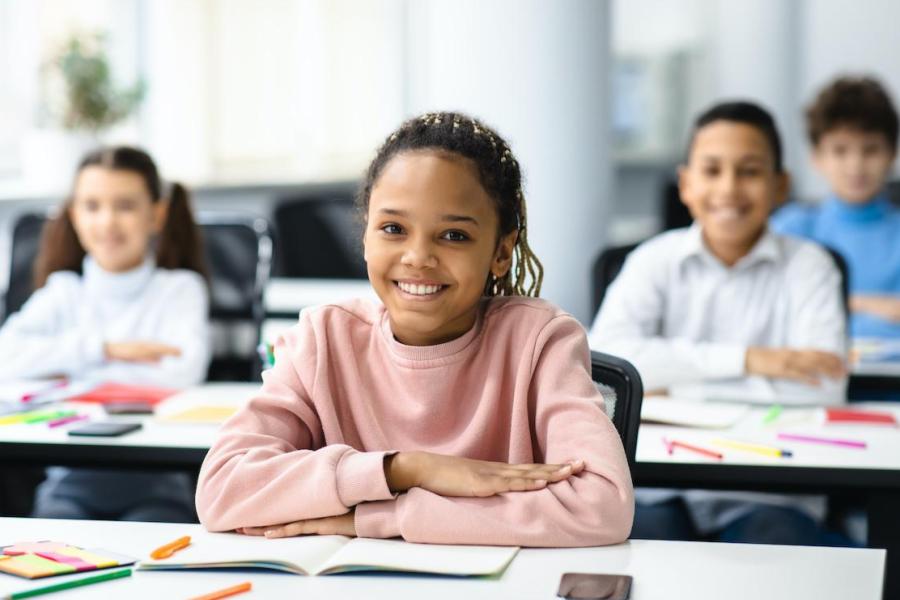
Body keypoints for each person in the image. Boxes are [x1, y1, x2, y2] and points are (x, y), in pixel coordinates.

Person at [196, 111, 634, 546]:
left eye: (454, 236)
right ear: (365, 236)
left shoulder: (541, 342)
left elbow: (601, 507)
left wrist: (379, 517)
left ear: (501, 252)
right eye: (393, 229)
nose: (418, 256)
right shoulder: (323, 339)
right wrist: (404, 468)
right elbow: (221, 490)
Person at [590, 101, 849, 545]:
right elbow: (610, 369)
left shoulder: (811, 266)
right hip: (657, 486)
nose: (728, 188)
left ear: (780, 185)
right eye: (712, 170)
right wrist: (751, 360)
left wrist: (676, 386)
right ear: (686, 184)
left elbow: (823, 384)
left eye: (749, 171)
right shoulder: (652, 260)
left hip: (771, 491)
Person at [0, 146, 211, 522]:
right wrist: (108, 349)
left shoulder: (179, 289)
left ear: (157, 214)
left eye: (126, 206)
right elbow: (6, 357)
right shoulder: (64, 291)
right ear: (74, 217)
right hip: (67, 488)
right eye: (92, 206)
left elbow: (181, 371)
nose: (108, 221)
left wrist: (66, 373)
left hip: (160, 491)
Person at [771, 76, 900, 339]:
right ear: (816, 157)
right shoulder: (790, 228)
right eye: (840, 151)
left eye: (871, 150)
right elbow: (773, 308)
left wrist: (832, 303)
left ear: (892, 154)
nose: (856, 166)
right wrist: (876, 306)